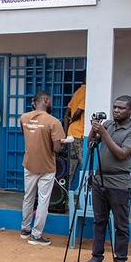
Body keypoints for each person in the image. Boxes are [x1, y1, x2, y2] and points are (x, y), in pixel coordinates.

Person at [81, 96, 131, 262]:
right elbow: (92, 144)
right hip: (100, 180)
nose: (116, 110)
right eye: (115, 107)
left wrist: (104, 133)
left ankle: (121, 260)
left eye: (121, 108)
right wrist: (94, 129)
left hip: (119, 183)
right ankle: (97, 256)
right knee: (99, 221)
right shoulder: (107, 124)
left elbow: (122, 154)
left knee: (121, 224)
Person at [20, 91, 65, 246]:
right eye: (50, 100)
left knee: (28, 197)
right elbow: (57, 149)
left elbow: (26, 135)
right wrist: (64, 142)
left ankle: (25, 229)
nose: (51, 103)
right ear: (46, 100)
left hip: (29, 163)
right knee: (43, 201)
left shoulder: (24, 117)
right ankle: (36, 235)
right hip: (46, 166)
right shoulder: (54, 122)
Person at [65, 84, 87, 187]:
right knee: (85, 167)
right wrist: (73, 120)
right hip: (79, 133)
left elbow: (68, 110)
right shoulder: (86, 91)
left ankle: (66, 196)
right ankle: (83, 196)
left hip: (71, 133)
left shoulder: (77, 92)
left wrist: (69, 125)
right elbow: (79, 111)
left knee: (71, 169)